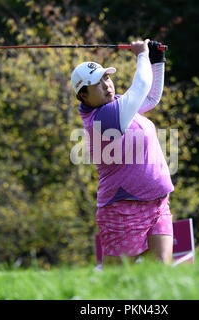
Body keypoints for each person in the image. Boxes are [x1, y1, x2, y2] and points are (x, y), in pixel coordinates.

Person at [71, 39, 174, 265]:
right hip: (122, 208)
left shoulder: (117, 105)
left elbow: (150, 97)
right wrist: (141, 55)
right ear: (84, 96)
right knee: (115, 279)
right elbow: (140, 87)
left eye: (106, 78)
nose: (107, 85)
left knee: (161, 269)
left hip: (157, 203)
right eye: (97, 84)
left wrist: (157, 60)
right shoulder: (103, 119)